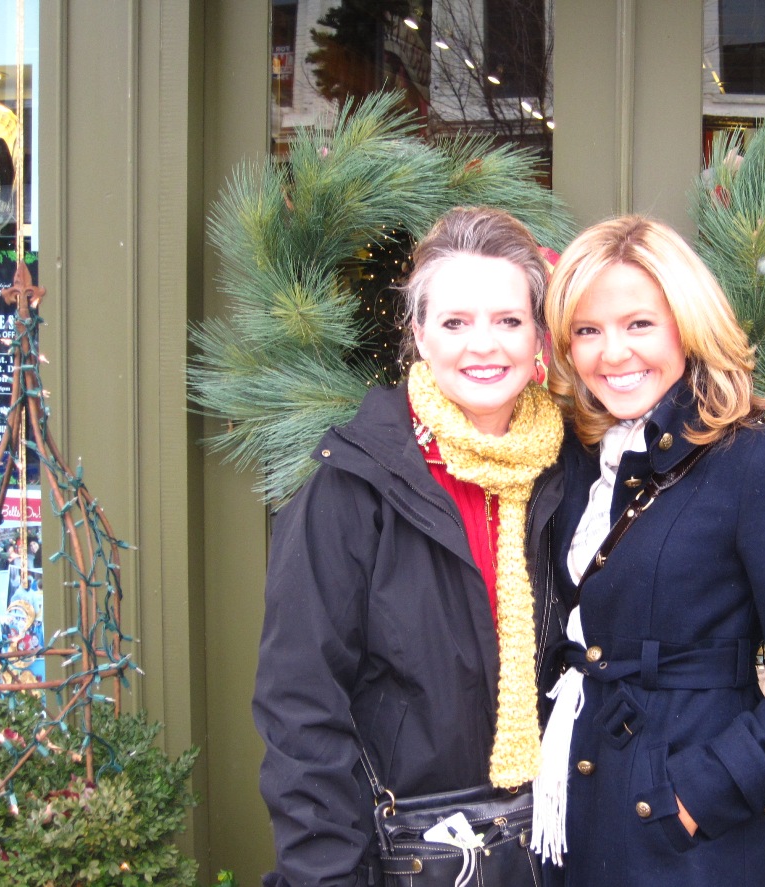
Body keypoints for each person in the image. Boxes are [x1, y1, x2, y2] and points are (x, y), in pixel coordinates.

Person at [533, 216, 765, 887]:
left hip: (689, 841)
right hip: (575, 806)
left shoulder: (758, 464)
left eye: (638, 324)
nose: (612, 353)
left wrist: (696, 798)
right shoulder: (574, 460)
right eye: (587, 331)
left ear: (688, 325)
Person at [253, 206, 565, 887]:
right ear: (419, 333)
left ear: (538, 335)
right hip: (403, 859)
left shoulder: (569, 475)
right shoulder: (353, 486)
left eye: (508, 320)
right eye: (454, 322)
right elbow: (300, 707)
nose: (483, 345)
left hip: (552, 850)